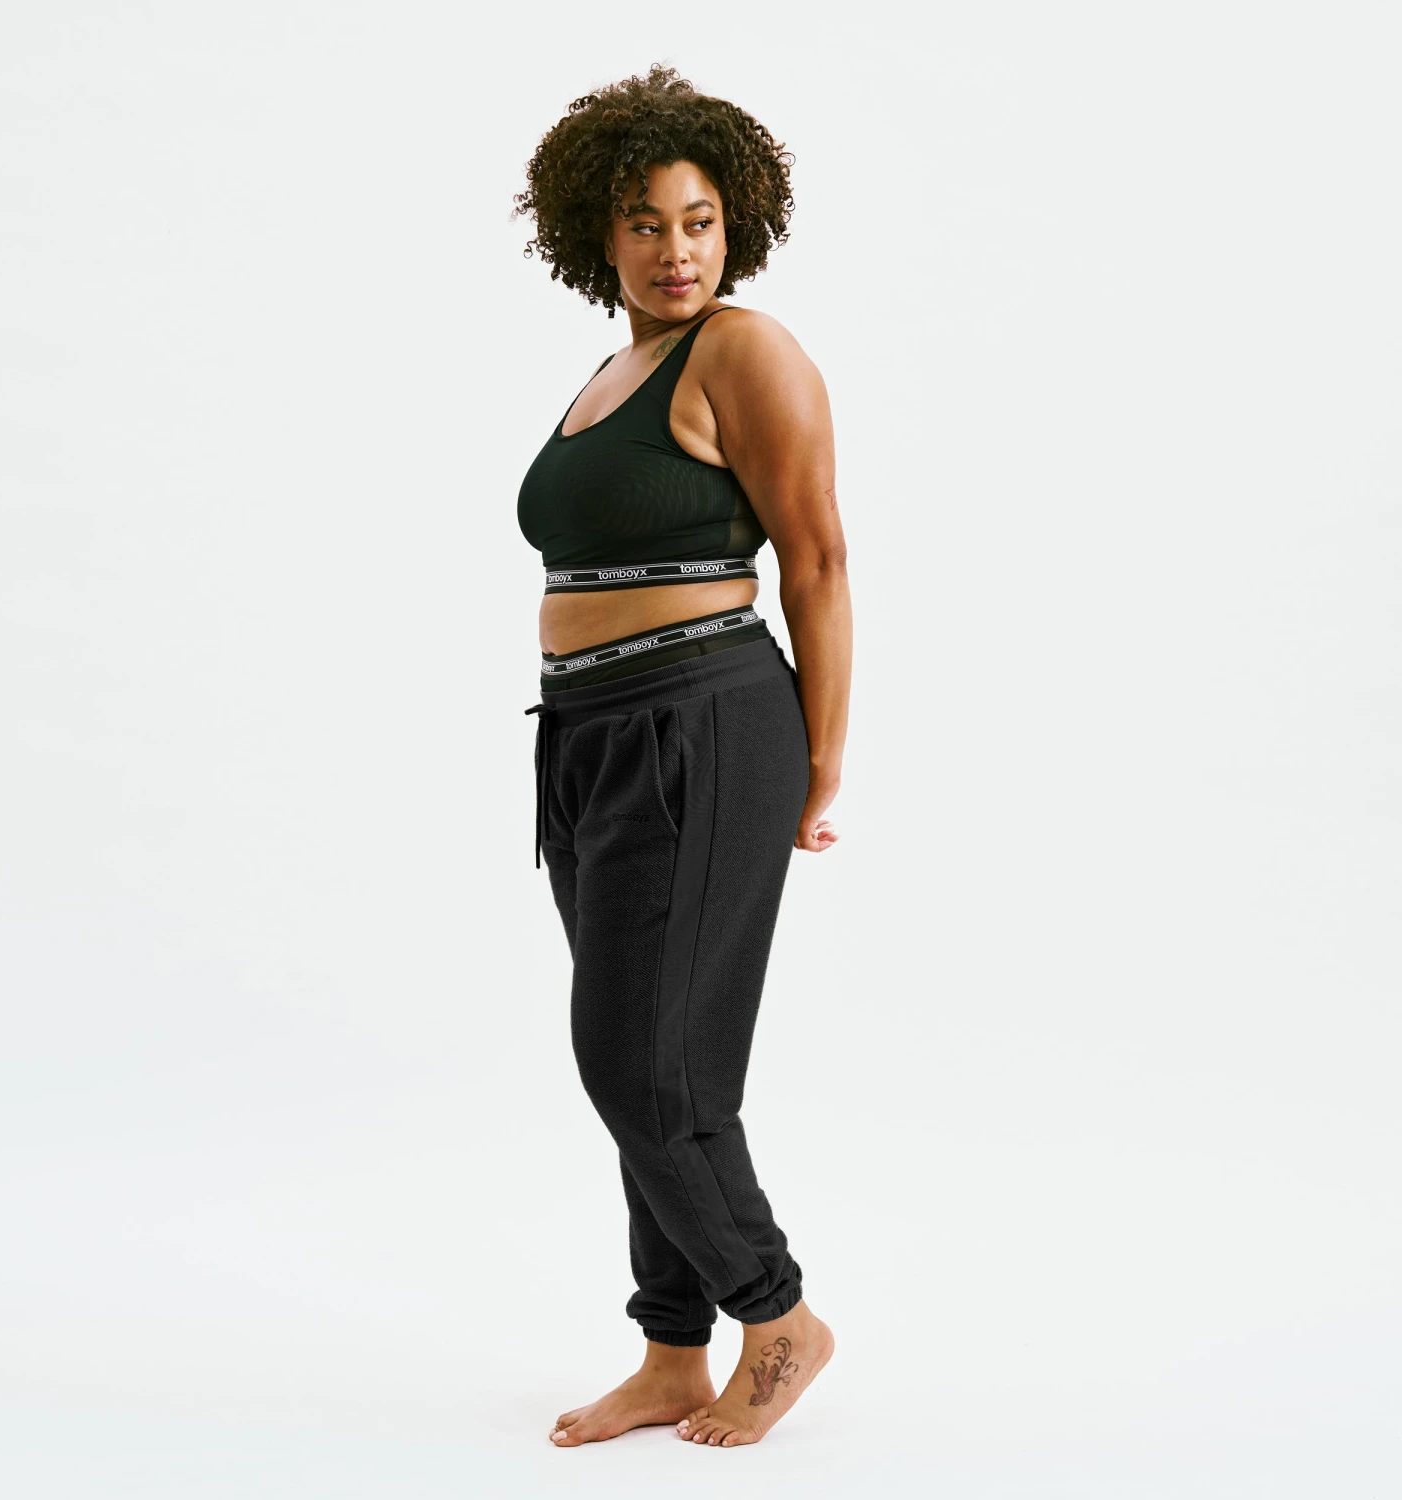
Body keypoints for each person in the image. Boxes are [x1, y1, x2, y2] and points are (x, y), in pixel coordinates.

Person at [513, 64, 851, 1450]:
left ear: (736, 226)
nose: (675, 250)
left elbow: (817, 559)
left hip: (701, 720)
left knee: (642, 1062)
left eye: (699, 222)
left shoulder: (744, 351)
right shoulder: (616, 372)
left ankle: (778, 1318)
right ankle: (670, 1352)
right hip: (588, 733)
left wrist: (821, 759)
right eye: (647, 224)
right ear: (599, 232)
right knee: (656, 1055)